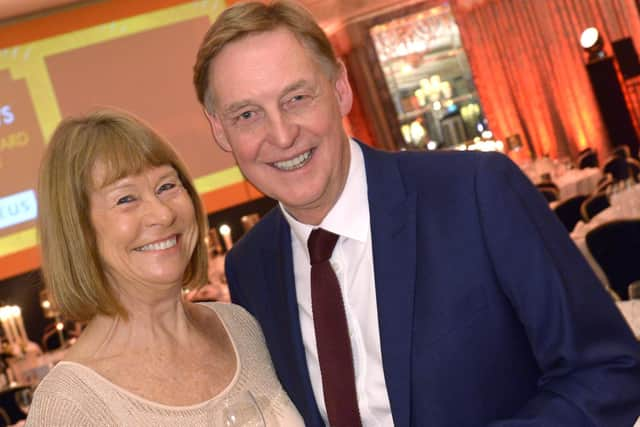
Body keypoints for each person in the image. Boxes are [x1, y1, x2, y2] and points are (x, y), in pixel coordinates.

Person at [192, 1, 640, 426]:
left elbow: (609, 369)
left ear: (340, 89)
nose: (282, 134)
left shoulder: (475, 192)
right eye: (248, 114)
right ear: (220, 131)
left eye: (297, 98)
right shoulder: (250, 265)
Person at [26, 109, 303, 426]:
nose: (162, 214)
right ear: (78, 231)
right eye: (126, 198)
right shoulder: (69, 406)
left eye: (166, 187)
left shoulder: (241, 328)